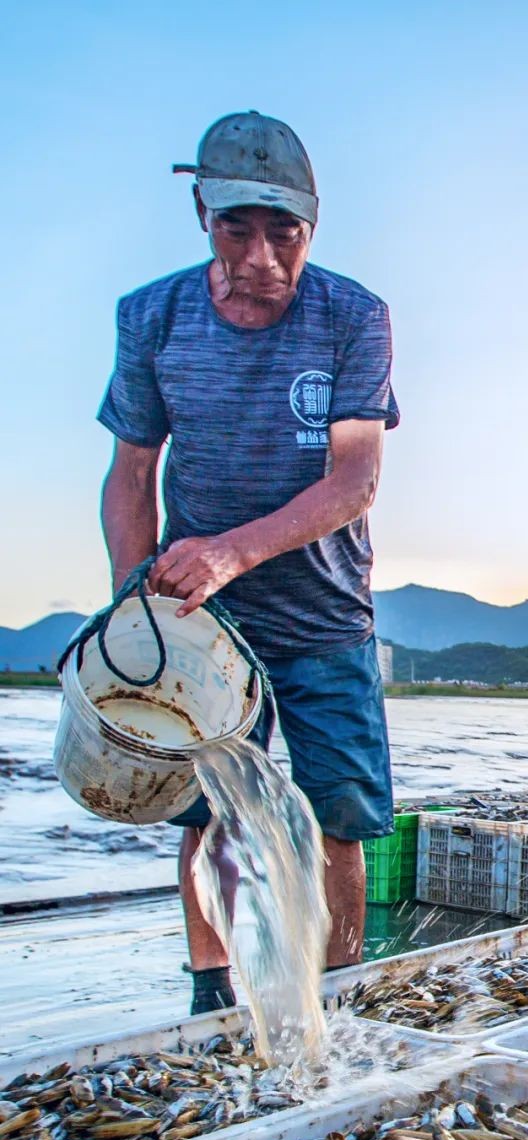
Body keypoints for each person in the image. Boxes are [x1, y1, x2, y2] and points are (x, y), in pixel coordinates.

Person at [97, 110, 398, 1014]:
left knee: (341, 820)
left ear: (314, 225)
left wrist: (231, 552)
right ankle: (211, 994)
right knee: (206, 819)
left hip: (325, 618)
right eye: (239, 228)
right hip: (201, 629)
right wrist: (130, 602)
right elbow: (132, 472)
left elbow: (355, 479)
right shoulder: (151, 318)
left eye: (286, 231)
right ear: (202, 214)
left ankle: (336, 995)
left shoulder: (354, 317)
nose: (262, 256)